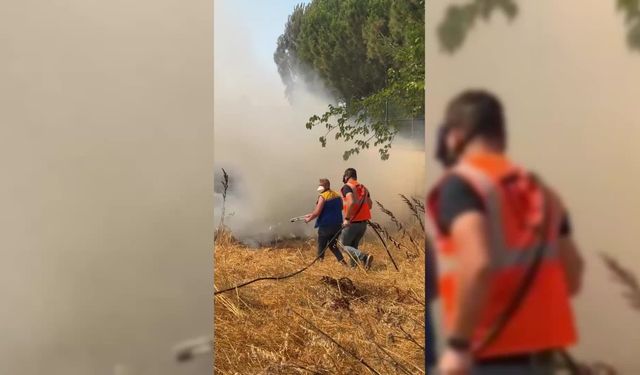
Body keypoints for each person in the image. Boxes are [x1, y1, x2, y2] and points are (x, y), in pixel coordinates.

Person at [426, 90, 584, 375]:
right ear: (501, 134)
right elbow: (572, 277)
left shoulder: (462, 186)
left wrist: (459, 347)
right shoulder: (543, 193)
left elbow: (477, 265)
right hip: (543, 356)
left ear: (456, 135)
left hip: (486, 356)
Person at [305, 179, 348, 265]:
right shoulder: (337, 195)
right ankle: (343, 263)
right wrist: (311, 214)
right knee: (333, 245)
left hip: (326, 225)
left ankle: (319, 264)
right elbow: (340, 208)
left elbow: (317, 212)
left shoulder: (323, 196)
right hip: (337, 225)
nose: (319, 187)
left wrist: (308, 219)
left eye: (320, 185)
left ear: (325, 186)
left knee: (321, 245)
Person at [340, 168, 374, 269]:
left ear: (346, 177)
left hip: (352, 223)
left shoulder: (347, 187)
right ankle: (353, 269)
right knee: (353, 247)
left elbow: (351, 201)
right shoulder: (364, 188)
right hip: (363, 224)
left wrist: (346, 218)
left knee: (342, 246)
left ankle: (363, 256)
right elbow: (370, 205)